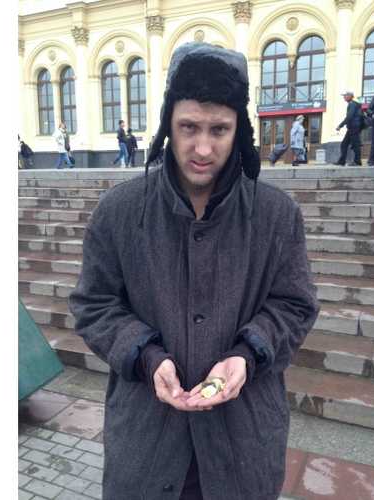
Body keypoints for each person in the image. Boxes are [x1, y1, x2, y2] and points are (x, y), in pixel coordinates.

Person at [69, 42, 319, 500]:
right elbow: (93, 304)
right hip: (146, 440)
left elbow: (295, 304)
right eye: (188, 127)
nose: (203, 148)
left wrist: (247, 353)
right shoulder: (119, 212)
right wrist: (147, 356)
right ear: (168, 123)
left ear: (239, 130)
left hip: (243, 443)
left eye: (219, 129)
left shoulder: (277, 215)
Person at [334, 90, 363, 166]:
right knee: (344, 144)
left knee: (355, 144)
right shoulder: (352, 104)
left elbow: (349, 116)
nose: (344, 97)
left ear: (350, 96)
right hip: (352, 127)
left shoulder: (352, 104)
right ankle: (342, 161)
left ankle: (357, 162)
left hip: (354, 127)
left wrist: (340, 125)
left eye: (345, 95)